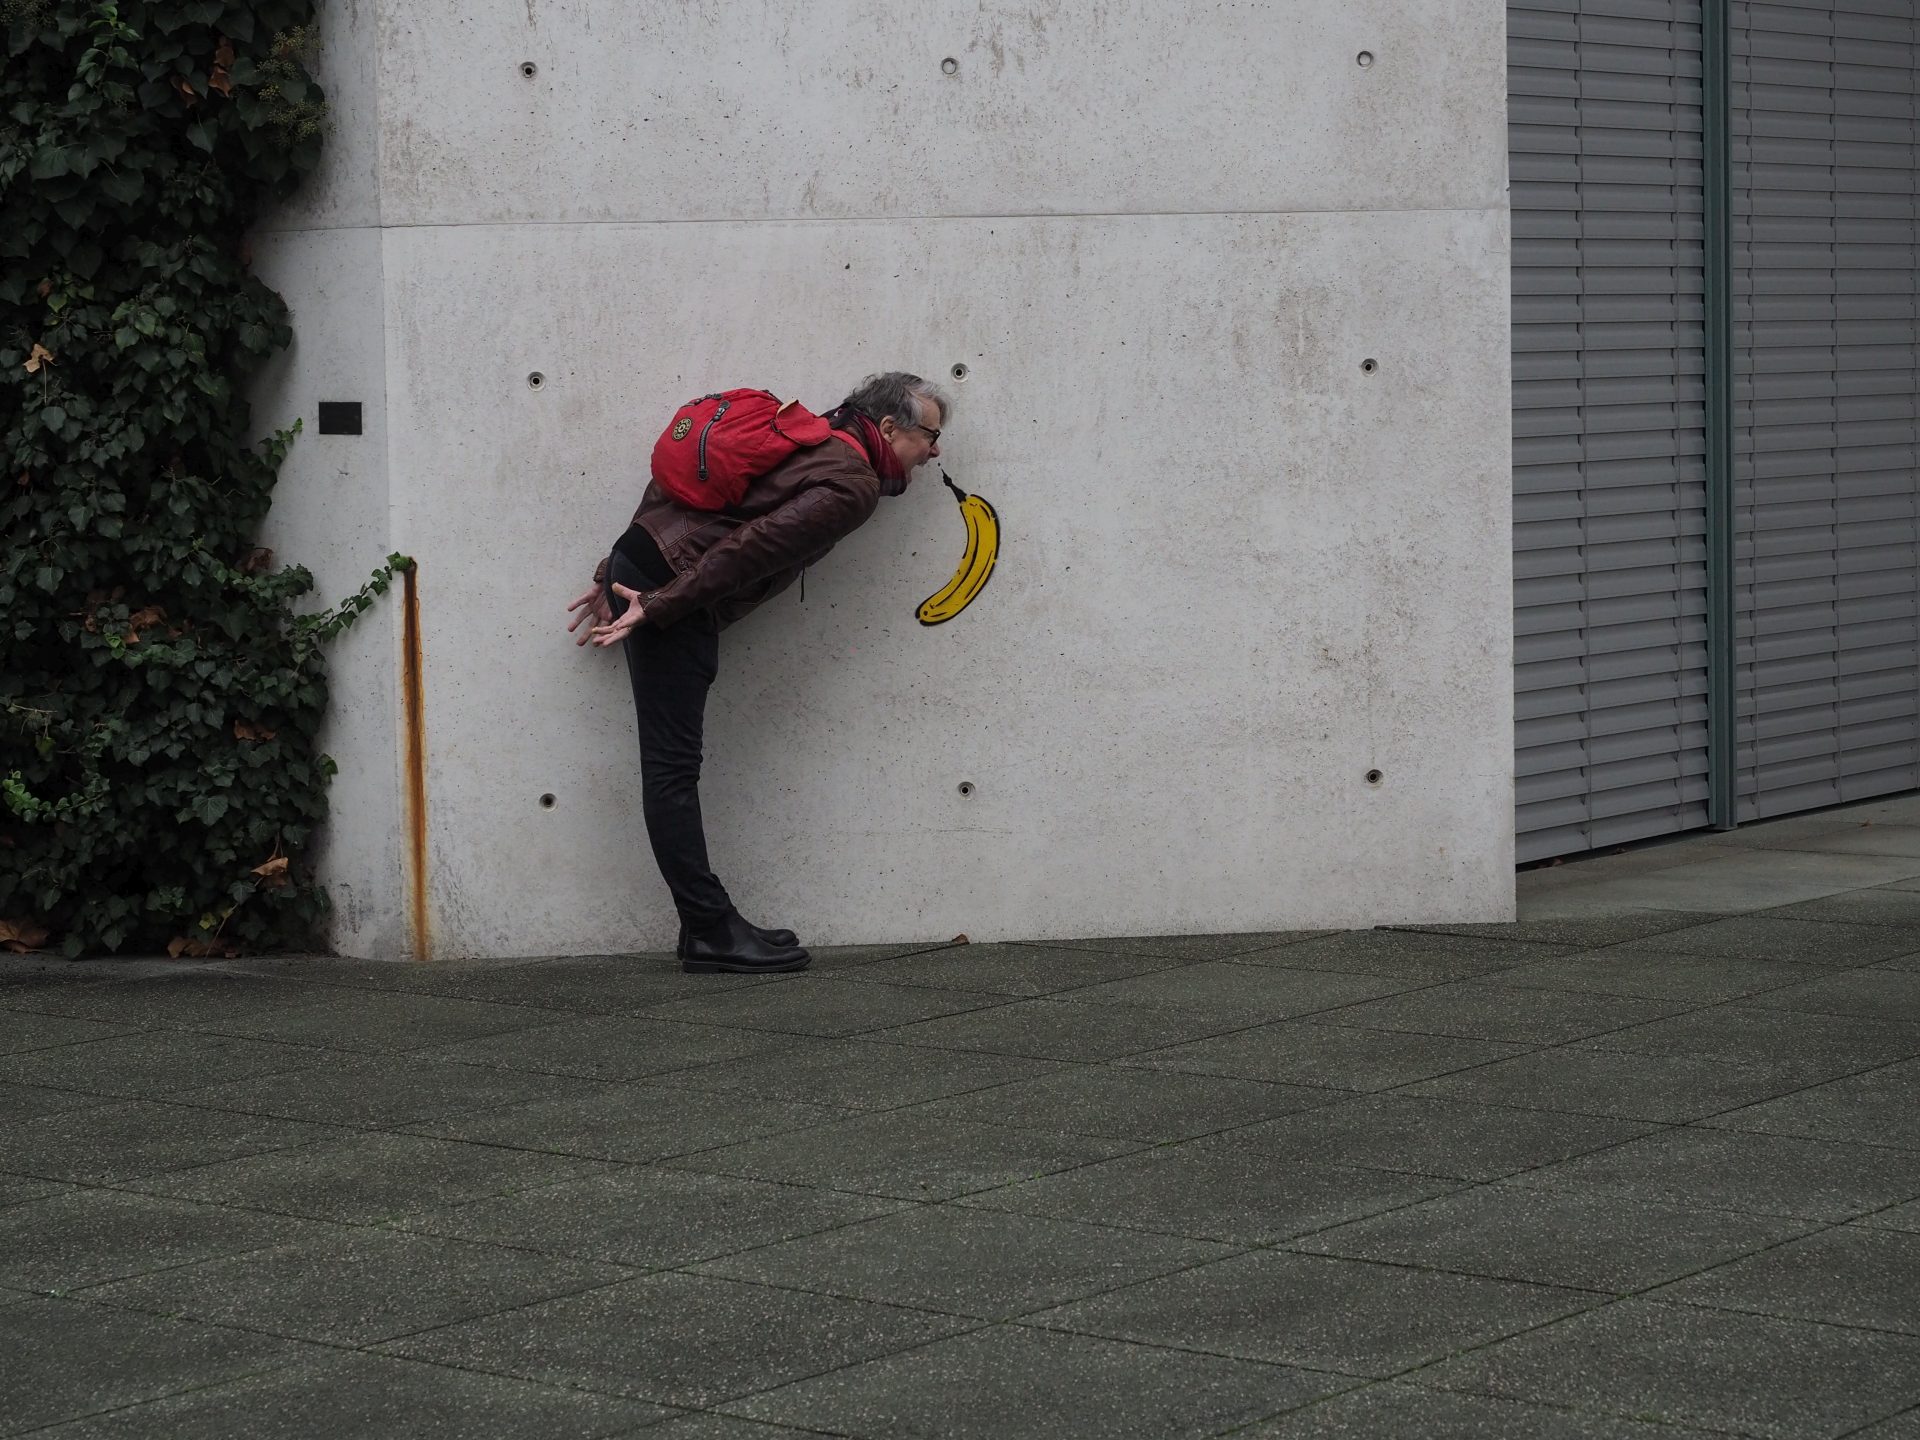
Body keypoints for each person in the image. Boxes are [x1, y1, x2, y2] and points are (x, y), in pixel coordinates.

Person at [567, 371, 951, 974]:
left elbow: (676, 486)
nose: (935, 451)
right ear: (886, 427)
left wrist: (616, 566)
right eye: (930, 435)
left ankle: (708, 926)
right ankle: (709, 929)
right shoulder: (852, 482)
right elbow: (749, 548)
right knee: (672, 767)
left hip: (647, 566)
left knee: (672, 766)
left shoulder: (809, 434)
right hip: (672, 593)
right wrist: (657, 603)